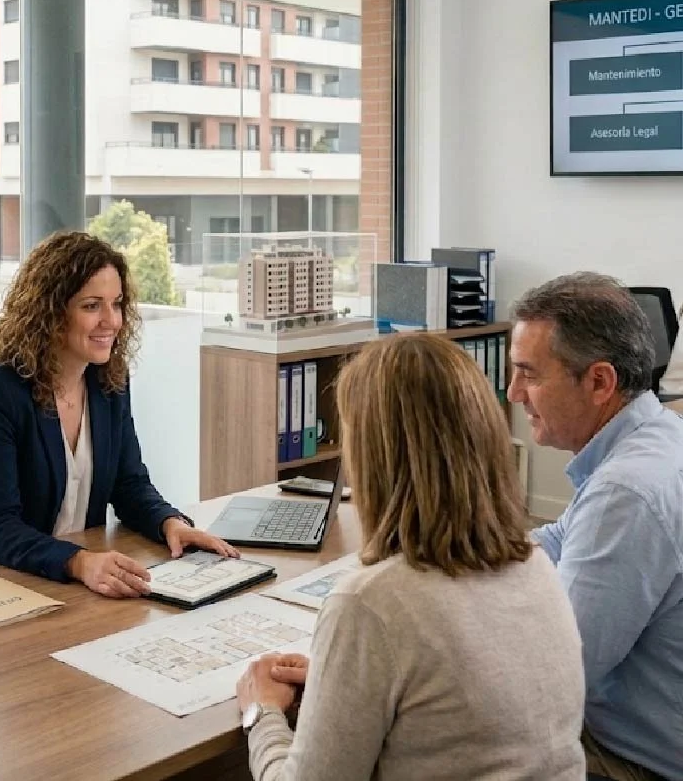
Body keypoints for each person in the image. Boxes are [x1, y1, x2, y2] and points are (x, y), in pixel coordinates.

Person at [235, 334, 585, 781]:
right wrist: (341, 683)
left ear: (376, 456)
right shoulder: (534, 563)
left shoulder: (371, 604)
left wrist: (261, 713)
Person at [0, 230, 237, 596]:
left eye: (116, 304)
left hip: (59, 587)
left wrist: (170, 523)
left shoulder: (109, 383)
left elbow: (129, 484)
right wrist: (78, 561)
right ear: (51, 313)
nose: (112, 321)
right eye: (92, 306)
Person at [508, 272, 683, 781]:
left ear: (600, 382)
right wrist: (460, 558)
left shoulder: (625, 493)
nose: (514, 392)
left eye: (529, 374)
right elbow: (556, 540)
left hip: (632, 759)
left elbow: (555, 679)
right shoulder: (660, 434)